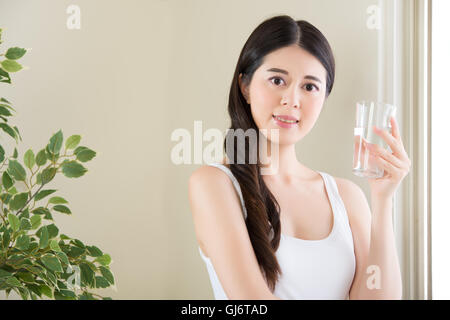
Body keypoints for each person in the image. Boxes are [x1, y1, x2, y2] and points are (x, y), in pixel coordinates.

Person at [188, 15, 410, 300]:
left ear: (323, 98)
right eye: (277, 80)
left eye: (309, 87)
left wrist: (382, 199)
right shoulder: (215, 184)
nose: (292, 100)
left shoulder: (346, 196)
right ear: (245, 86)